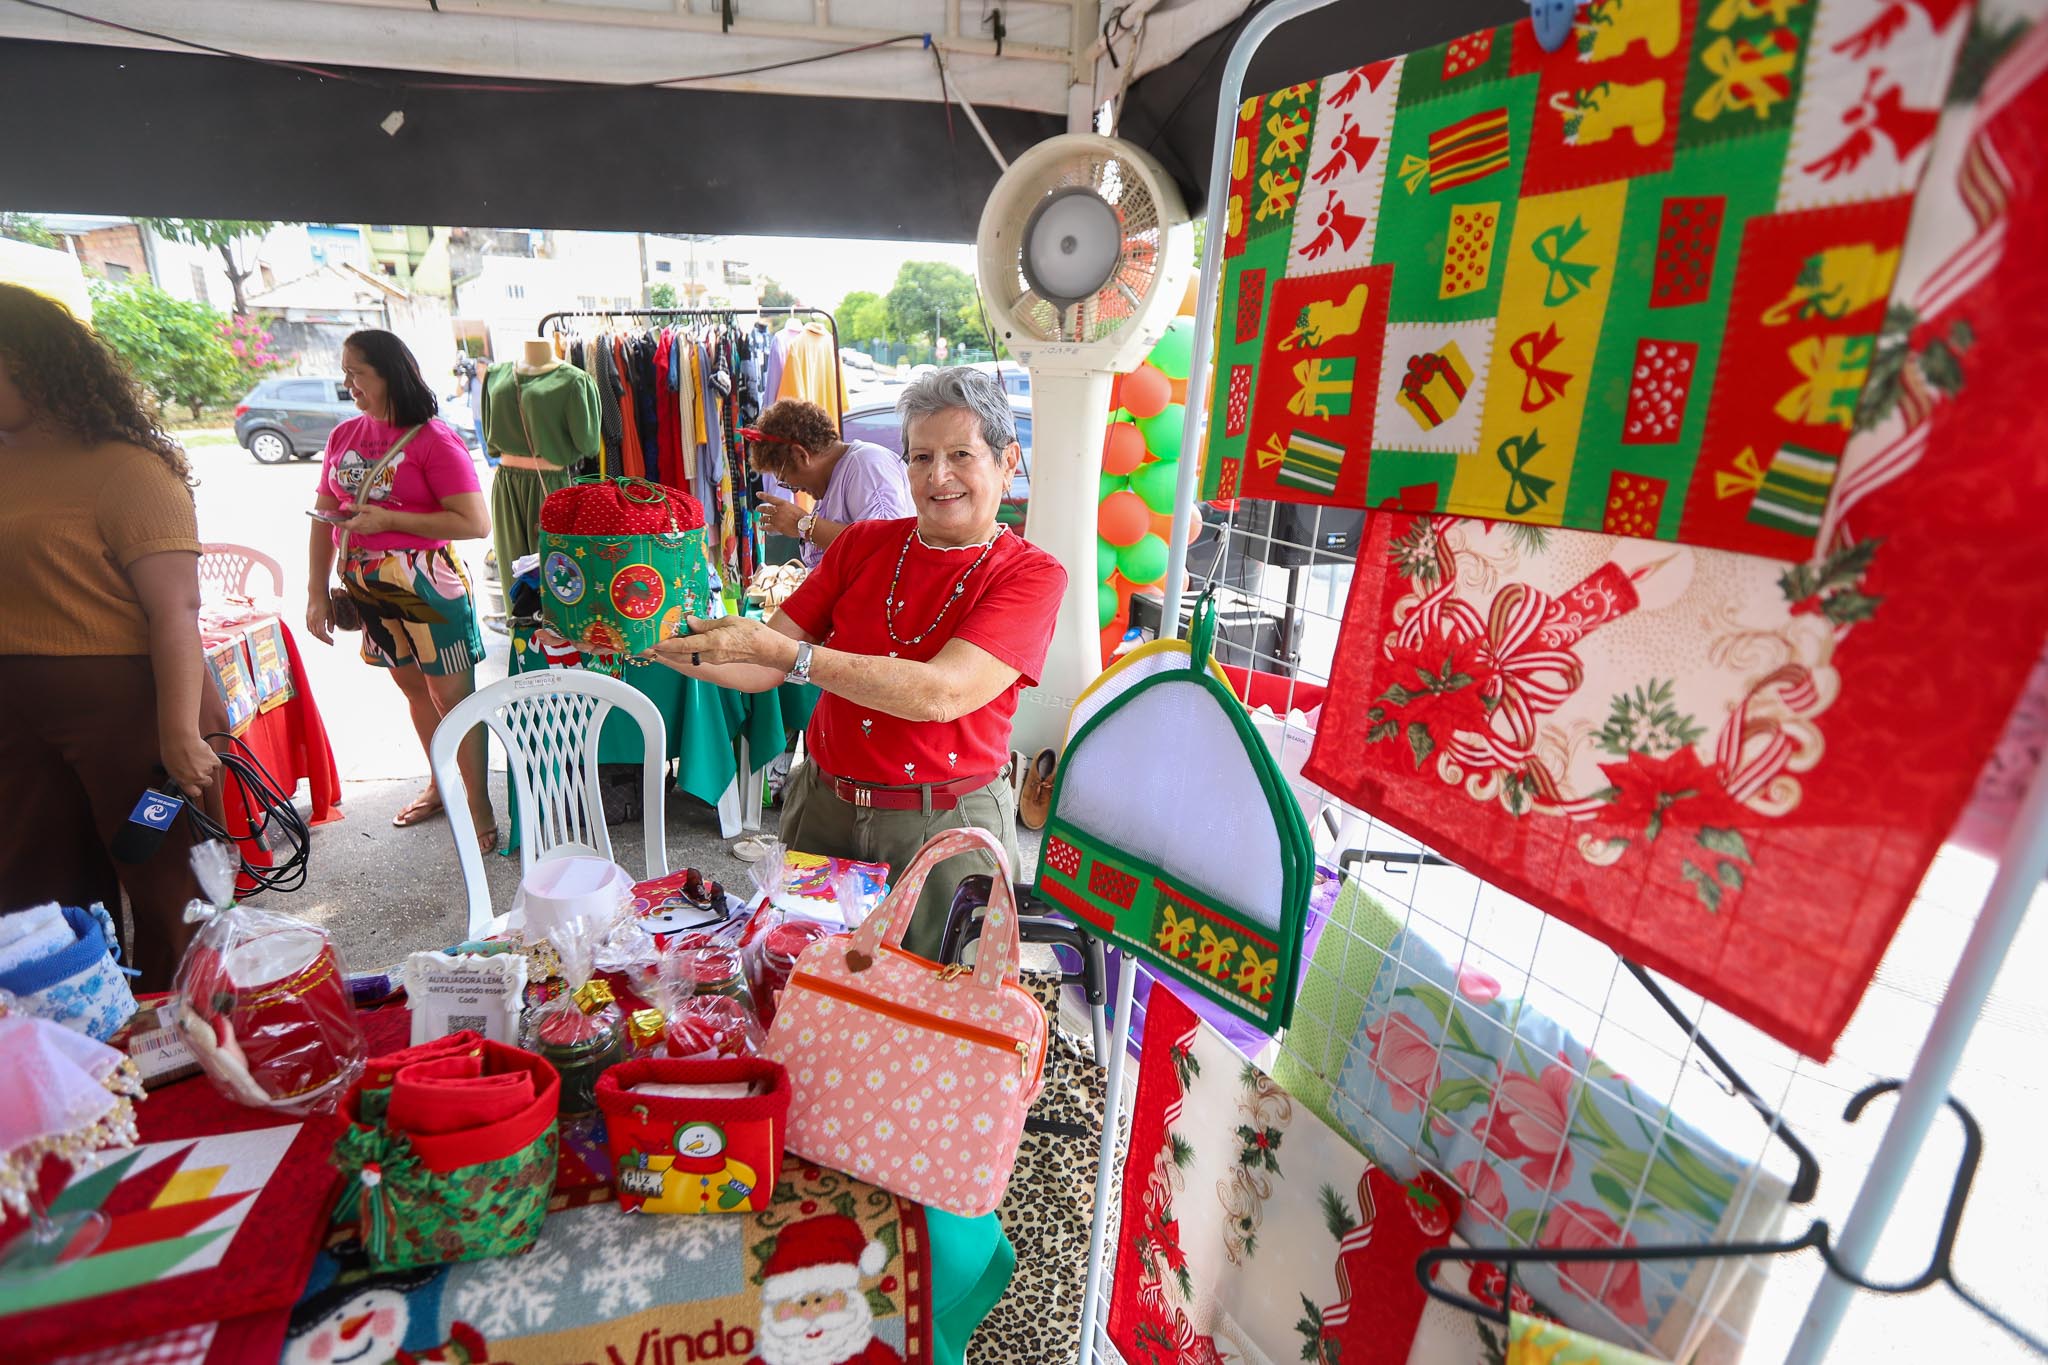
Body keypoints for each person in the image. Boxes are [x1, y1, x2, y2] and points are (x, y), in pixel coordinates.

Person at [633, 367, 1065, 957]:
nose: (938, 476)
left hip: (943, 825)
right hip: (823, 810)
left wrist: (789, 655)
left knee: (931, 997)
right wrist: (647, 640)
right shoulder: (864, 545)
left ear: (1007, 460)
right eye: (921, 457)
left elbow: (941, 693)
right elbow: (760, 666)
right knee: (802, 980)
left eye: (960, 455)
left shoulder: (1029, 573)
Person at [0, 282, 221, 990]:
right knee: (35, 896)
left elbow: (176, 610)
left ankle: (180, 1034)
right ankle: (75, 1033)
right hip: (17, 713)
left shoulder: (129, 469)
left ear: (34, 366)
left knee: (167, 891)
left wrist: (178, 732)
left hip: (128, 708)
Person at [305, 330, 497, 848]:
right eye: (345, 373)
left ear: (390, 374)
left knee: (452, 699)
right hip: (366, 583)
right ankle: (440, 784)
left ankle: (478, 805)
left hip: (427, 583)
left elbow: (474, 522)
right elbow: (324, 515)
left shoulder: (434, 439)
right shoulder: (343, 436)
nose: (348, 384)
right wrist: (316, 589)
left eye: (357, 373)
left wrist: (390, 519)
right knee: (415, 691)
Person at [745, 398, 913, 569]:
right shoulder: (832, 481)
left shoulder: (866, 466)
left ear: (801, 455)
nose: (795, 491)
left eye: (786, 480)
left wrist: (802, 524)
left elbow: (885, 547)